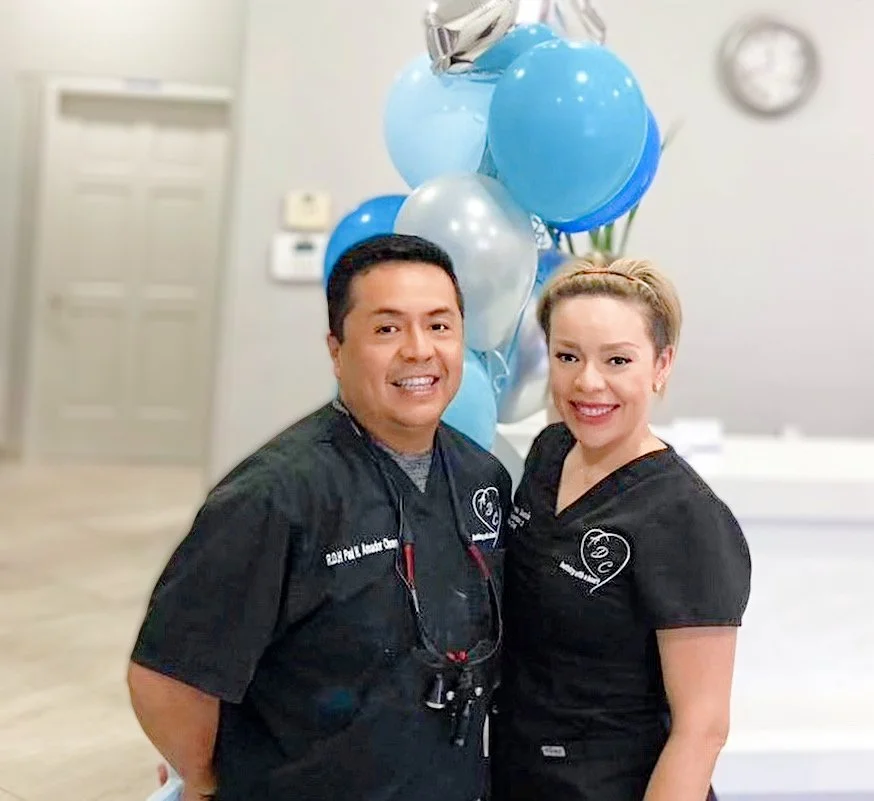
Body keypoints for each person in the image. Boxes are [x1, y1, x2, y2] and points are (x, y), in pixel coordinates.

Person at [127, 233, 512, 801]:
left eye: (439, 325)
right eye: (386, 328)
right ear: (336, 348)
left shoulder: (482, 478)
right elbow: (167, 679)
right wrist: (211, 781)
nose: (418, 349)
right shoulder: (274, 498)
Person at [490, 254, 752, 801]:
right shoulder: (549, 451)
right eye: (568, 356)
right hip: (520, 775)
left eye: (617, 360)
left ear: (660, 365)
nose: (588, 382)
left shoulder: (685, 517)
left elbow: (702, 729)